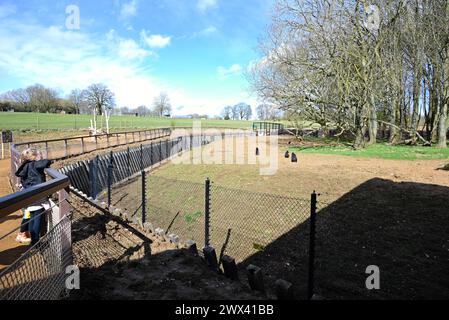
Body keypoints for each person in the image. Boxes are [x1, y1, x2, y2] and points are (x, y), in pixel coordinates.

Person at [15, 148, 51, 245]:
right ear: (34, 157)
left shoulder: (24, 166)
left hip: (29, 194)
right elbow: (46, 162)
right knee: (37, 218)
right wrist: (41, 160)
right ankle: (35, 240)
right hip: (37, 195)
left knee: (31, 217)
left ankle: (30, 238)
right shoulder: (35, 164)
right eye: (39, 155)